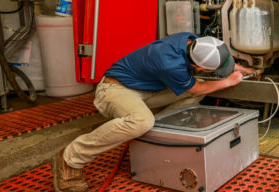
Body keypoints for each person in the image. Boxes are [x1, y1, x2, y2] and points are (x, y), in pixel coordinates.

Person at [51, 32, 254, 192]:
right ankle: (70, 157)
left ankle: (152, 137)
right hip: (114, 89)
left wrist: (238, 68)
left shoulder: (194, 42)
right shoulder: (169, 63)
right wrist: (227, 82)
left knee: (188, 98)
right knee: (141, 121)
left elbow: (211, 61)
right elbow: (198, 87)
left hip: (147, 89)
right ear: (199, 67)